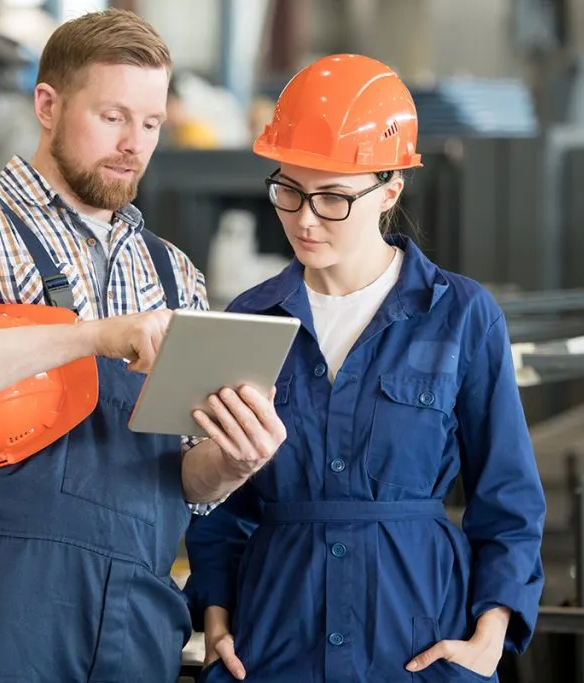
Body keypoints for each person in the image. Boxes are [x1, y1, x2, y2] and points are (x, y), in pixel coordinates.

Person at [0, 10, 286, 683]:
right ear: (47, 105)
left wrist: (233, 460)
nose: (134, 144)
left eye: (150, 123)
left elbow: (184, 476)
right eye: (113, 116)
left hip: (136, 617)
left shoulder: (173, 273)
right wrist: (94, 335)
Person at [183, 54, 547, 683]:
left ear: (390, 191)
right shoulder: (253, 316)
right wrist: (215, 614)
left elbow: (507, 495)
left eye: (331, 198)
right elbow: (221, 501)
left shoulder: (460, 316)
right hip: (275, 641)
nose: (303, 218)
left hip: (417, 639)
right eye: (289, 189)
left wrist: (490, 635)